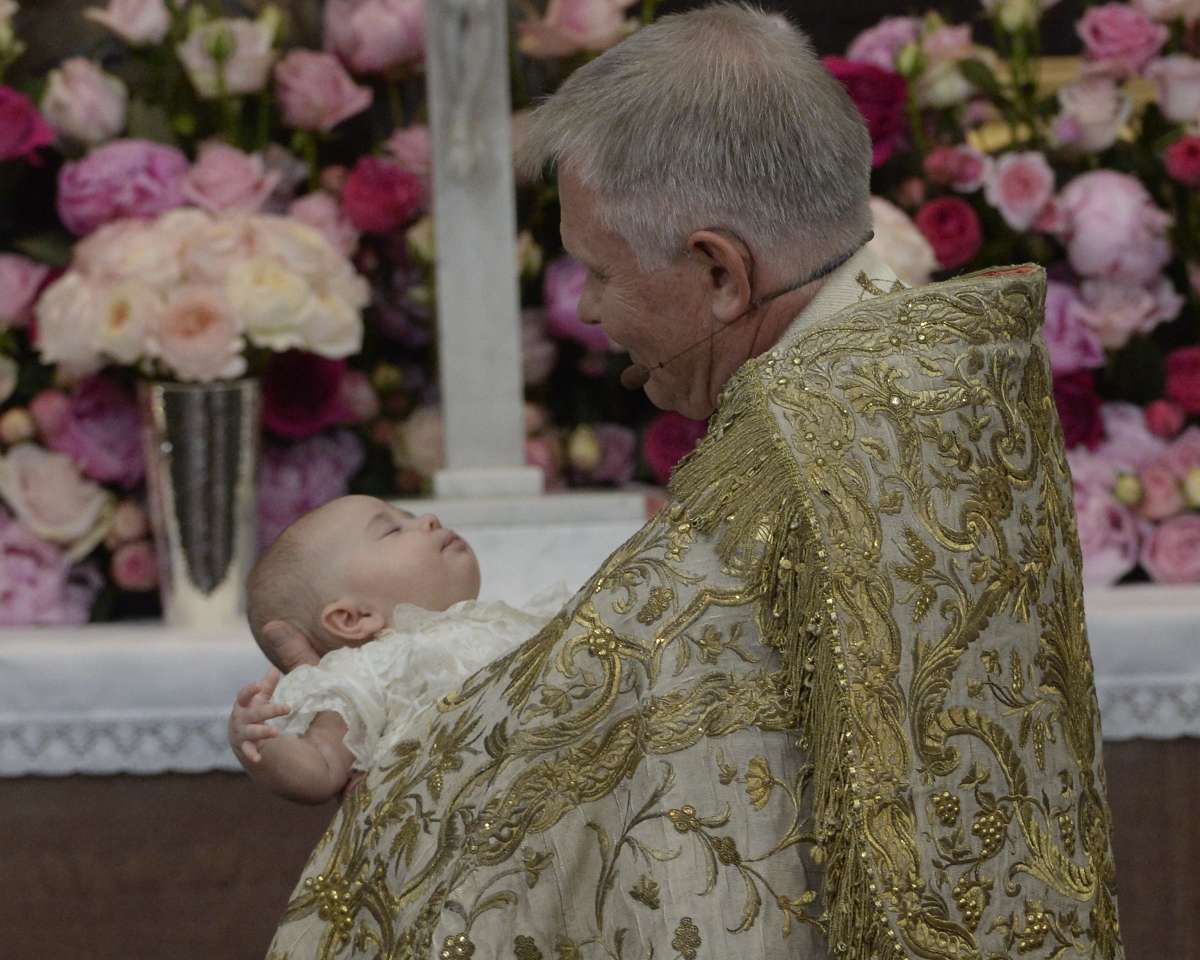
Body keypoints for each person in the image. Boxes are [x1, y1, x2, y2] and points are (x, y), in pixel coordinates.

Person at [267, 6, 1124, 959]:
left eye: (597, 268)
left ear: (720, 272)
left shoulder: (804, 447)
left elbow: (590, 747)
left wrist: (361, 711)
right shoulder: (933, 377)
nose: (587, 308)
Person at [227, 495, 564, 804]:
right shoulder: (371, 669)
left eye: (411, 516)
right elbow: (323, 765)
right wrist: (263, 747)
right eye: (392, 530)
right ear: (353, 617)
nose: (429, 519)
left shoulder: (504, 618)